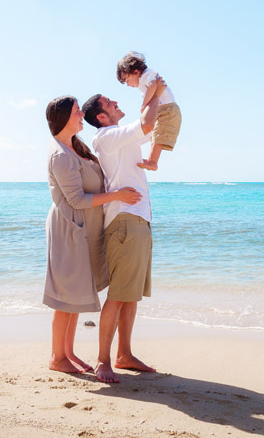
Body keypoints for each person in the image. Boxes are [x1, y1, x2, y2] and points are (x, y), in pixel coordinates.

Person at [43, 96, 142, 374]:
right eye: (77, 112)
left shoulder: (75, 146)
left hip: (83, 227)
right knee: (66, 295)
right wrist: (118, 195)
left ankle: (68, 353)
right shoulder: (61, 155)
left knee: (74, 293)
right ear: (64, 118)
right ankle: (56, 357)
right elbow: (76, 200)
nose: (81, 115)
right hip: (69, 227)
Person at [81, 75, 167, 383]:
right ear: (101, 117)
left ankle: (124, 354)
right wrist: (154, 91)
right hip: (124, 221)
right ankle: (103, 361)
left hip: (138, 218)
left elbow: (150, 127)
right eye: (108, 102)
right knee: (118, 295)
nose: (115, 102)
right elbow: (145, 124)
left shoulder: (119, 136)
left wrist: (155, 96)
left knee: (131, 295)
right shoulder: (106, 136)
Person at [115, 52, 181, 171]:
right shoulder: (143, 79)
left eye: (127, 80)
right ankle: (143, 157)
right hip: (163, 110)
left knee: (158, 135)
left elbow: (153, 85)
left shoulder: (146, 75)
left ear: (135, 72)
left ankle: (153, 161)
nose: (128, 85)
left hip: (167, 109)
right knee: (153, 135)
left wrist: (145, 104)